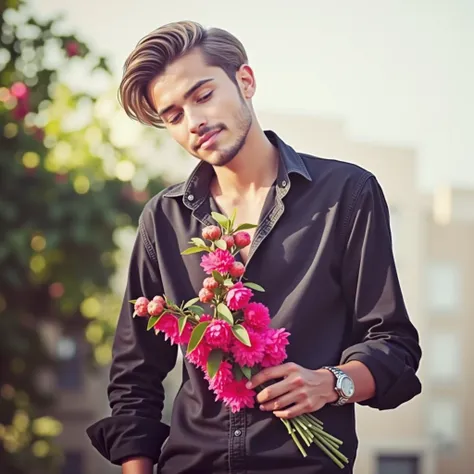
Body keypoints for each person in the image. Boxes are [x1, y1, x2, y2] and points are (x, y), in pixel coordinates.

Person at [86, 20, 422, 474]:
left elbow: (392, 342)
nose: (194, 122)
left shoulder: (347, 194)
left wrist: (331, 383)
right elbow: (134, 380)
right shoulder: (162, 221)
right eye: (173, 116)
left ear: (245, 81)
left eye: (202, 96)